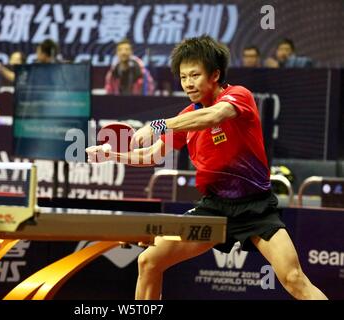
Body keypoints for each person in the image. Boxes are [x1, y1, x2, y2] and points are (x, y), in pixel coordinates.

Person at [86, 35, 327, 300]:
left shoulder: (238, 96)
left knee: (293, 278)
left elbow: (213, 116)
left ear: (215, 74)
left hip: (255, 207)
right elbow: (152, 155)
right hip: (213, 207)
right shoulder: (186, 116)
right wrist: (113, 155)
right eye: (183, 77)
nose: (188, 83)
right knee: (149, 261)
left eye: (195, 75)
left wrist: (156, 125)